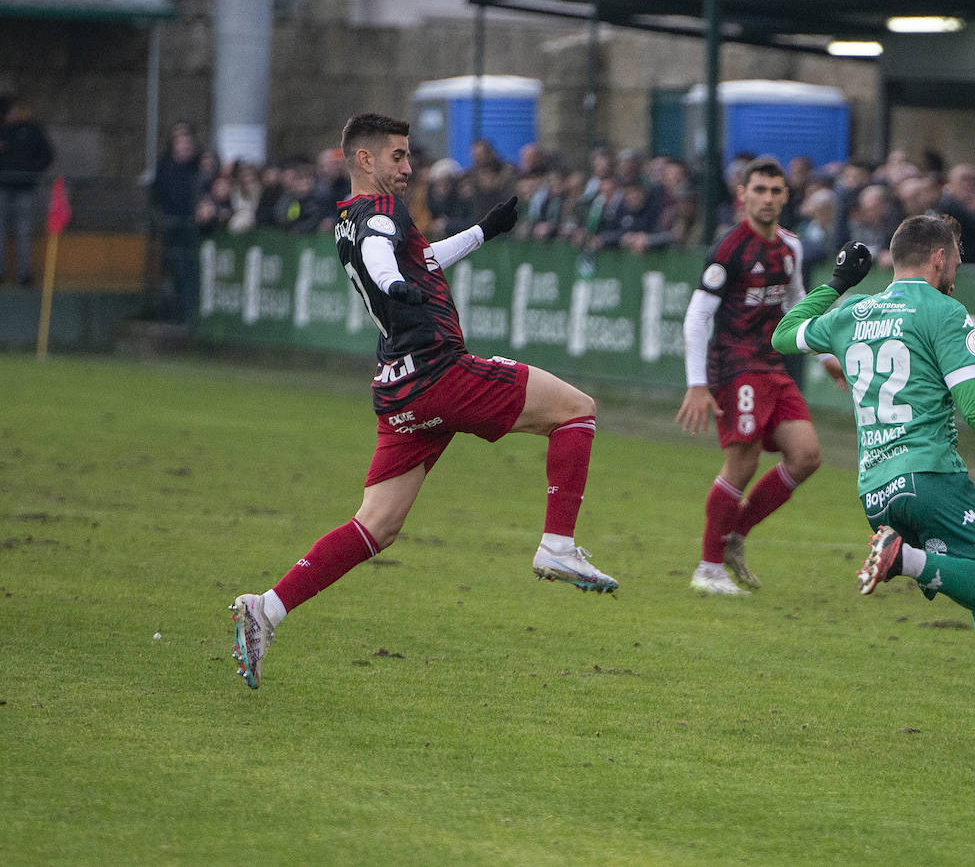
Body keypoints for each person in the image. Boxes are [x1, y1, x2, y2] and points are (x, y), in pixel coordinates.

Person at [230, 113, 618, 690]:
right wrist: (393, 287)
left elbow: (416, 257)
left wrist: (484, 231)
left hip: (399, 387)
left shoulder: (350, 219)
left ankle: (268, 609)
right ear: (365, 160)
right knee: (577, 410)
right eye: (398, 157)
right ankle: (557, 545)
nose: (408, 168)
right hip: (442, 372)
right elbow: (387, 261)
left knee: (377, 525)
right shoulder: (381, 213)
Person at [770, 216, 975, 752]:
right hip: (931, 477)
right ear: (937, 259)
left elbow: (783, 334)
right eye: (956, 257)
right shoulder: (944, 311)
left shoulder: (854, 312)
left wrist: (836, 284)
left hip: (875, 489)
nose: (957, 268)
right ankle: (901, 559)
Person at [675, 156, 842, 596]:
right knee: (743, 462)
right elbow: (697, 317)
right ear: (743, 196)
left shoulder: (791, 247)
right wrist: (697, 384)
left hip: (772, 365)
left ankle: (736, 534)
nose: (767, 199)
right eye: (759, 190)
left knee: (806, 456)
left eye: (775, 191)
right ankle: (708, 569)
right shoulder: (729, 249)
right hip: (734, 367)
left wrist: (824, 355)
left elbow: (796, 299)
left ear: (787, 196)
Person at [149, 122, 201, 324]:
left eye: (187, 143)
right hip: (172, 227)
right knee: (174, 272)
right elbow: (156, 196)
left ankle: (189, 317)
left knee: (189, 272)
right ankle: (175, 316)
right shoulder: (164, 167)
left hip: (192, 228)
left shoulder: (197, 166)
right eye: (180, 143)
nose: (184, 148)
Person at [0, 98, 54, 286]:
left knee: (24, 230)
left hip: (24, 188)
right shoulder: (3, 130)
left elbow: (47, 155)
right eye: (12, 110)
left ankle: (24, 275)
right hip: (3, 188)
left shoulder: (32, 130)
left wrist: (31, 172)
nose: (16, 113)